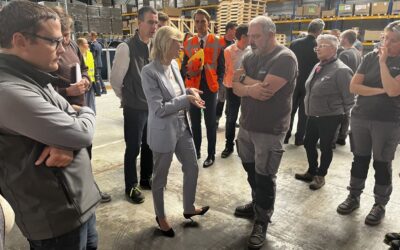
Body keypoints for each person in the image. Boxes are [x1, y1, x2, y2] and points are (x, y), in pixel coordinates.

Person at [0, 1, 101, 249]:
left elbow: (70, 127)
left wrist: (66, 136)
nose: (62, 47)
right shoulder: (8, 91)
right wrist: (85, 110)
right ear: (20, 40)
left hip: (77, 203)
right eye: (54, 41)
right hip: (56, 219)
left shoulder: (35, 75)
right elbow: (79, 132)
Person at [232, 16, 297, 248]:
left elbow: (266, 90)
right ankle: (257, 202)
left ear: (271, 34)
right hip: (247, 125)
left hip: (270, 129)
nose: (251, 40)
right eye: (250, 35)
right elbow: (234, 83)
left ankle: (262, 219)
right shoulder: (250, 56)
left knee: (265, 176)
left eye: (256, 36)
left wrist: (245, 84)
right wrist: (251, 86)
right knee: (251, 168)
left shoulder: (285, 58)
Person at [141, 26, 209, 238]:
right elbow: (159, 108)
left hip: (182, 126)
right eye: (177, 42)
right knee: (160, 178)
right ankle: (160, 217)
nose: (181, 45)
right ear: (164, 43)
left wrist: (189, 92)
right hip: (164, 130)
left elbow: (177, 93)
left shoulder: (174, 64)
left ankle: (188, 207)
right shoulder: (149, 72)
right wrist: (185, 99)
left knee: (192, 166)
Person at [337, 20, 400, 226]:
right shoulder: (369, 57)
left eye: (393, 40)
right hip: (361, 117)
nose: (386, 43)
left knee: (382, 163)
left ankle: (379, 204)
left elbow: (393, 90)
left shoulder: (382, 60)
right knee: (360, 159)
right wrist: (379, 90)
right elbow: (354, 86)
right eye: (385, 38)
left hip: (388, 121)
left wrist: (383, 64)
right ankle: (353, 196)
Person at [52, 7, 111, 203]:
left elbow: (83, 67)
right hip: (63, 112)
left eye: (69, 35)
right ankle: (77, 196)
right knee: (71, 158)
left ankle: (89, 188)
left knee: (86, 152)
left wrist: (86, 79)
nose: (67, 41)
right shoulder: (48, 52)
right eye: (64, 35)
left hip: (81, 107)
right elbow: (41, 90)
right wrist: (67, 92)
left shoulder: (72, 47)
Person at [110, 6, 158, 203]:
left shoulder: (154, 46)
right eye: (150, 22)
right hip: (134, 109)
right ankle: (131, 186)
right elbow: (115, 80)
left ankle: (146, 178)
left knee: (149, 146)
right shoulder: (126, 47)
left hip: (152, 107)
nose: (154, 26)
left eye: (156, 22)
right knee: (133, 148)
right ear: (139, 23)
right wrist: (128, 98)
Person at [294, 34, 354, 190]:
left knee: (325, 147)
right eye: (317, 46)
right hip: (313, 113)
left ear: (334, 49)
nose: (318, 49)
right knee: (308, 143)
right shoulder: (318, 65)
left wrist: (340, 118)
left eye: (322, 45)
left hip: (330, 117)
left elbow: (349, 98)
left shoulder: (341, 70)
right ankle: (312, 171)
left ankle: (321, 176)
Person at [181, 9, 225, 168]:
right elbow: (184, 67)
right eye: (197, 22)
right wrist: (188, 71)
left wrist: (219, 84)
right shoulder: (189, 43)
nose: (199, 25)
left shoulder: (218, 41)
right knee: (195, 122)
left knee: (210, 122)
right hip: (194, 88)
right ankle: (197, 151)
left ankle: (211, 154)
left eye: (203, 21)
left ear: (208, 22)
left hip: (210, 87)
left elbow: (222, 67)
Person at [285, 18, 324, 146]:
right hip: (309, 84)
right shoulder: (319, 47)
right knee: (304, 113)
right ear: (320, 31)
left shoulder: (295, 43)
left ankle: (285, 135)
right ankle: (299, 139)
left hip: (294, 81)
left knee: (289, 110)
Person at [220, 24, 250, 158]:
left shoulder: (252, 51)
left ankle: (244, 145)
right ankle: (229, 145)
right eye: (250, 35)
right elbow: (225, 70)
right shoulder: (228, 51)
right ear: (243, 36)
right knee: (231, 118)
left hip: (247, 88)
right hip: (232, 88)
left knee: (247, 117)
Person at [335, 29, 362, 146]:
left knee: (337, 112)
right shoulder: (356, 52)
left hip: (342, 86)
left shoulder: (344, 54)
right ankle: (342, 136)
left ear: (345, 39)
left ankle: (334, 138)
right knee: (346, 112)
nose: (340, 40)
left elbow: (338, 72)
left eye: (341, 38)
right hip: (352, 87)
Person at [216, 21, 237, 127]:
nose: (236, 32)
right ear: (229, 30)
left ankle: (230, 119)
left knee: (231, 100)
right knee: (221, 99)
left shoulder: (235, 43)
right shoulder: (219, 42)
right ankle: (216, 118)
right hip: (221, 76)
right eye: (235, 30)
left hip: (232, 77)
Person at [77, 37, 96, 114]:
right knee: (83, 102)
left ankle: (92, 114)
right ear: (80, 45)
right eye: (86, 43)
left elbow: (93, 67)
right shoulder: (76, 55)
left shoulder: (90, 54)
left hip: (91, 82)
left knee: (91, 101)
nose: (88, 45)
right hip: (82, 83)